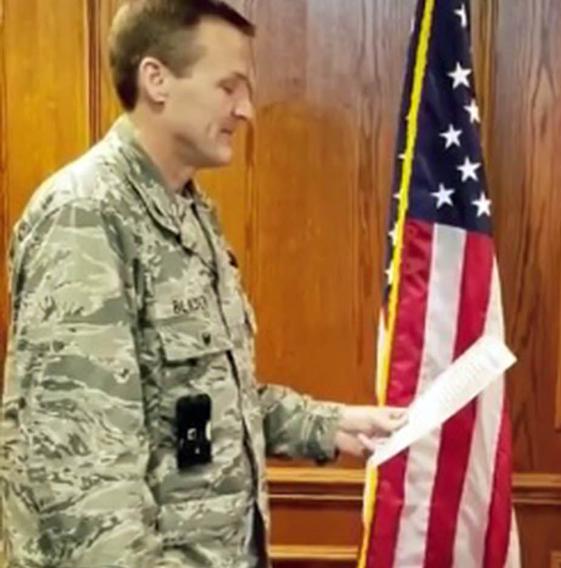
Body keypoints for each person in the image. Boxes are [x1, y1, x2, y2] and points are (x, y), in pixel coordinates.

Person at [0, 1, 403, 566]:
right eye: (229, 87)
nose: (247, 110)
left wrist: (330, 424)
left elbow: (203, 399)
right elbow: (82, 481)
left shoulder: (188, 215)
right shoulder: (84, 216)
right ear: (156, 80)